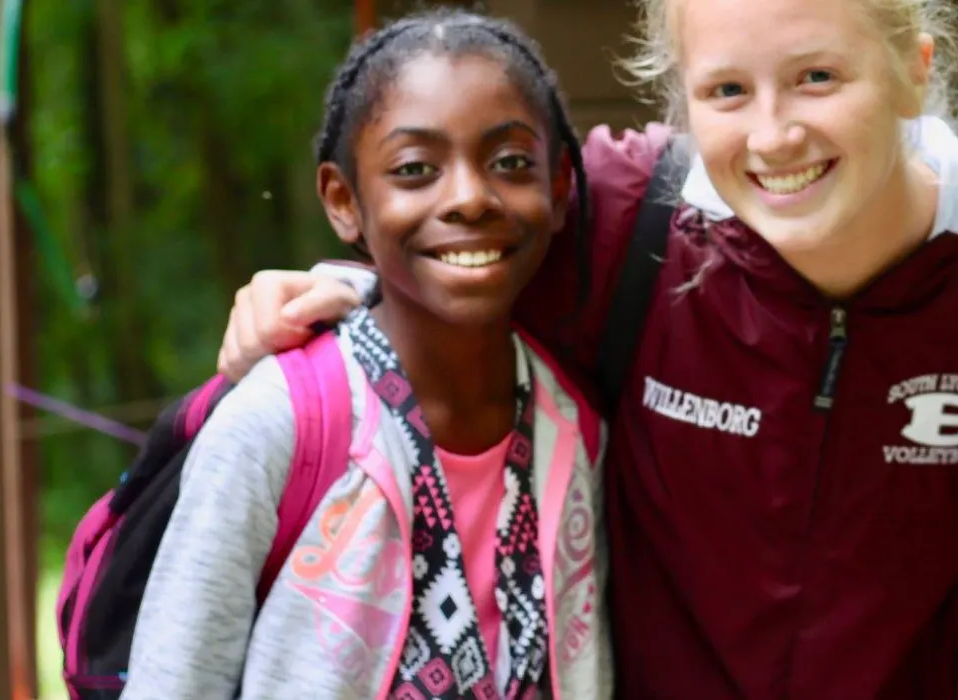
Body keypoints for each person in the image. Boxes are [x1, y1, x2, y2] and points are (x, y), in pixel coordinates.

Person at [214, 0, 958, 696]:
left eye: (819, 78)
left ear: (915, 66)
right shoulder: (623, 222)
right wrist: (339, 292)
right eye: (728, 92)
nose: (775, 134)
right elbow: (462, 252)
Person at [122, 10, 612, 699]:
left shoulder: (574, 429)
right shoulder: (277, 425)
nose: (469, 198)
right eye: (415, 169)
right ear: (344, 200)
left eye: (509, 163)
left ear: (559, 187)